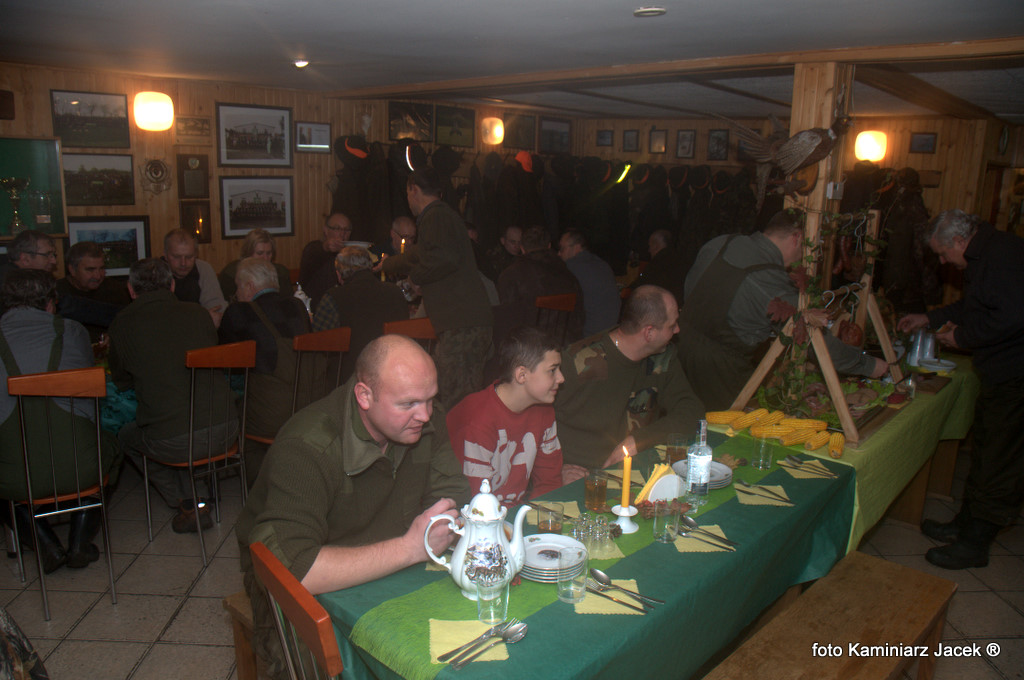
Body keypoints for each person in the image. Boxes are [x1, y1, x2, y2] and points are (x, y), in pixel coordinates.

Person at [235, 335, 470, 679]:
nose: (425, 414)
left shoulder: (421, 420)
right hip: (301, 580)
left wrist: (418, 540)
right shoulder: (308, 447)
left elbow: (453, 495)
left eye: (430, 399)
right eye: (408, 404)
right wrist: (409, 547)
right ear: (364, 396)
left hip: (388, 559)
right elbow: (292, 569)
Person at [897, 210, 1024, 570]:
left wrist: (963, 337)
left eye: (942, 253)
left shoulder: (1003, 256)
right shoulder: (986, 254)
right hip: (1001, 375)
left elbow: (1013, 316)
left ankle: (975, 543)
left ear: (958, 240)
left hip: (1016, 375)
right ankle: (966, 524)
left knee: (1000, 458)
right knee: (985, 449)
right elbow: (975, 304)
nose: (942, 262)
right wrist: (931, 318)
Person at [679, 209, 887, 410]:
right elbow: (814, 340)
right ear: (797, 238)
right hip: (720, 372)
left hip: (680, 352)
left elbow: (693, 289)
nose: (805, 254)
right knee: (721, 430)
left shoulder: (721, 242)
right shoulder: (770, 280)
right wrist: (869, 365)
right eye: (808, 245)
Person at [0, 269, 120, 573]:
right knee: (113, 447)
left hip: (15, 474)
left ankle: (42, 539)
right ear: (50, 303)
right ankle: (80, 537)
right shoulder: (73, 331)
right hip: (81, 466)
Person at [109, 258, 238, 533]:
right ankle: (196, 498)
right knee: (177, 425)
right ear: (172, 285)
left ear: (131, 289)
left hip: (175, 438)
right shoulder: (198, 314)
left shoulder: (122, 323)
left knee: (128, 435)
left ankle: (187, 501)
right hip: (227, 427)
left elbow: (121, 381)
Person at [554, 285, 704, 469]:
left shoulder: (663, 358)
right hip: (582, 474)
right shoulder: (576, 361)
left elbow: (692, 412)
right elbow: (532, 421)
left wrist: (640, 440)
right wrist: (557, 470)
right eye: (672, 326)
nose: (678, 330)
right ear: (649, 332)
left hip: (635, 471)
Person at [448, 327, 585, 507]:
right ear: (521, 375)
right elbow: (477, 505)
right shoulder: (479, 421)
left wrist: (540, 519)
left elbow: (549, 482)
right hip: (476, 515)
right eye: (552, 370)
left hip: (515, 513)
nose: (561, 378)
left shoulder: (544, 410)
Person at [404, 167, 494, 409]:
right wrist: (392, 264)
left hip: (462, 325)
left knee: (456, 402)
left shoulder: (435, 217)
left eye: (407, 193)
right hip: (466, 323)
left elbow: (444, 259)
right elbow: (427, 255)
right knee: (458, 396)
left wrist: (416, 277)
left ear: (414, 189)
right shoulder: (444, 216)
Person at [219, 257, 310, 485]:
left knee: (236, 411)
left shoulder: (238, 312)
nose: (237, 293)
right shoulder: (298, 306)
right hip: (310, 404)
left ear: (249, 286)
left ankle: (260, 491)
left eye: (238, 287)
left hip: (273, 416)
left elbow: (226, 365)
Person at [312, 245, 409, 384]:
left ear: (339, 275)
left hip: (348, 380)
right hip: (395, 373)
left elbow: (319, 341)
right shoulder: (395, 292)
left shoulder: (334, 298)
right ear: (370, 267)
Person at [495, 225, 584, 346]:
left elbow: (507, 324)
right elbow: (579, 319)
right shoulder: (569, 275)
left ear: (522, 249)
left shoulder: (510, 276)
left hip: (531, 349)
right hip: (566, 346)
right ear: (549, 246)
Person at [55, 240, 129, 342]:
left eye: (102, 268)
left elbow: (128, 322)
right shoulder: (56, 293)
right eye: (90, 270)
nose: (98, 276)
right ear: (72, 270)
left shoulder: (115, 289)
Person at [558, 229, 621, 337]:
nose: (559, 253)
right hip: (612, 331)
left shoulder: (572, 267)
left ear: (577, 247)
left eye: (562, 249)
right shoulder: (602, 264)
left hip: (589, 336)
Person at [162, 228, 228, 328]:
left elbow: (217, 309)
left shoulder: (203, 269)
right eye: (176, 257)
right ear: (165, 255)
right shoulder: (156, 273)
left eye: (189, 257)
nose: (183, 263)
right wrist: (201, 318)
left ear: (196, 254)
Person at [218, 228, 292, 301]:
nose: (265, 258)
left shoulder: (281, 274)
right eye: (260, 253)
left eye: (268, 253)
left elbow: (287, 302)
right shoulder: (231, 274)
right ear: (248, 253)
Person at [299, 212, 351, 309]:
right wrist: (326, 246)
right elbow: (314, 252)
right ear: (326, 231)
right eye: (337, 228)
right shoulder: (314, 250)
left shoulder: (351, 254)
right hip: (315, 307)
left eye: (346, 230)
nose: (342, 234)